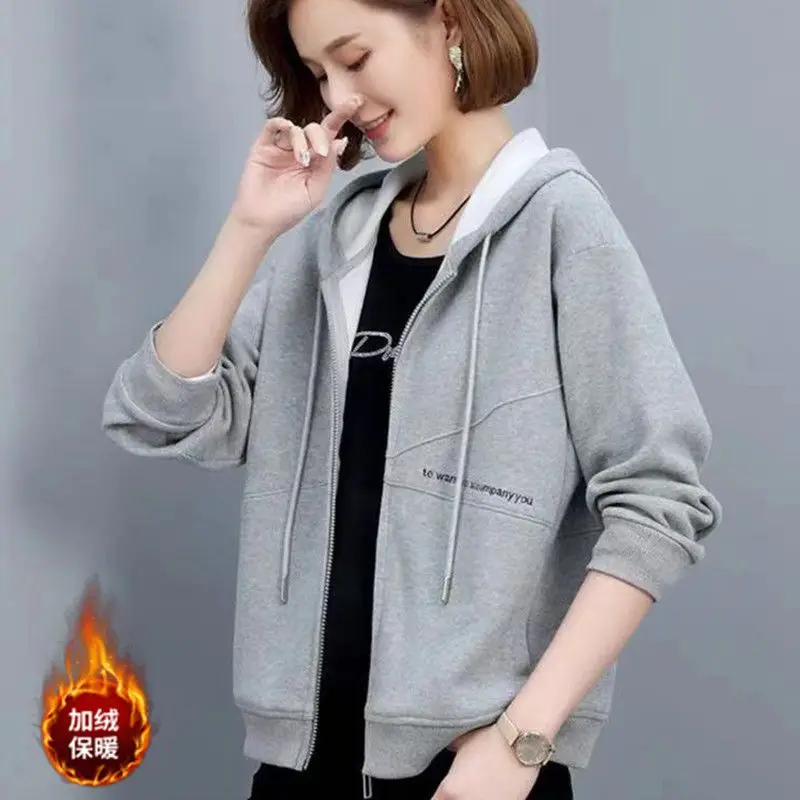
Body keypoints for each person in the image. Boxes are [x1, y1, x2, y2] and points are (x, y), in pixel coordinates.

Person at [101, 0, 723, 797]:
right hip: (297, 768)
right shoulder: (336, 239)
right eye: (319, 73)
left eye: (355, 58)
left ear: (449, 22)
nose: (338, 98)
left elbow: (660, 497)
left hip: (470, 773)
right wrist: (250, 229)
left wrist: (522, 741)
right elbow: (159, 416)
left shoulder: (561, 223)